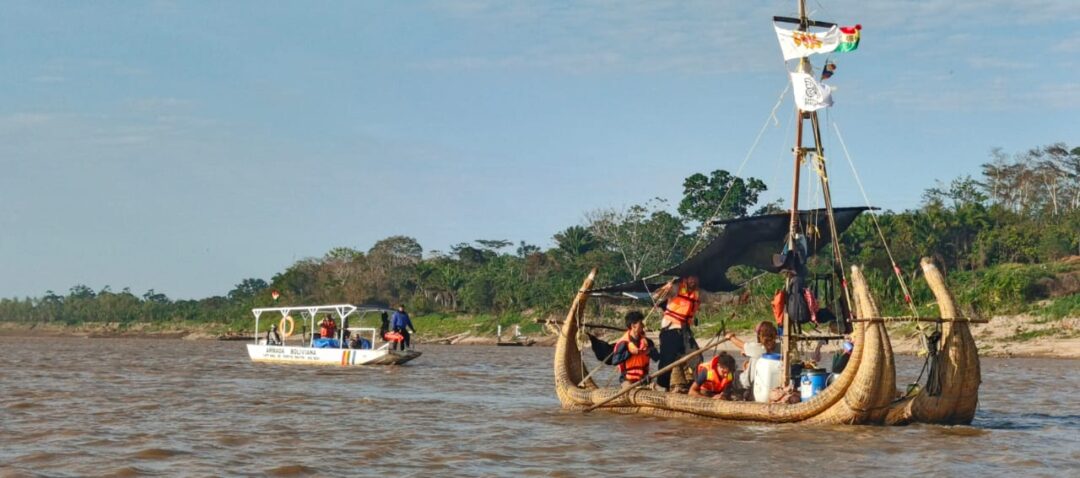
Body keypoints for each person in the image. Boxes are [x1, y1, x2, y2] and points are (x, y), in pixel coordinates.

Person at [654, 275, 701, 392]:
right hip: (670, 329)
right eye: (691, 278)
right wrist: (664, 289)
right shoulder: (676, 288)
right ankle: (662, 386)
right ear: (686, 279)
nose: (693, 281)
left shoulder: (699, 293)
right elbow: (655, 296)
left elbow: (716, 298)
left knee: (696, 357)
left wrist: (737, 299)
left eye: (695, 279)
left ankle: (698, 387)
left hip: (685, 330)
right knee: (667, 360)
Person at [610, 311, 658, 387]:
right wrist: (629, 352)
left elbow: (657, 358)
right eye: (641, 323)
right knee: (630, 390)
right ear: (633, 326)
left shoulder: (648, 342)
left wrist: (649, 351)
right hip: (627, 379)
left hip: (644, 378)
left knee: (658, 388)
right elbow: (615, 361)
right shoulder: (623, 343)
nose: (643, 325)